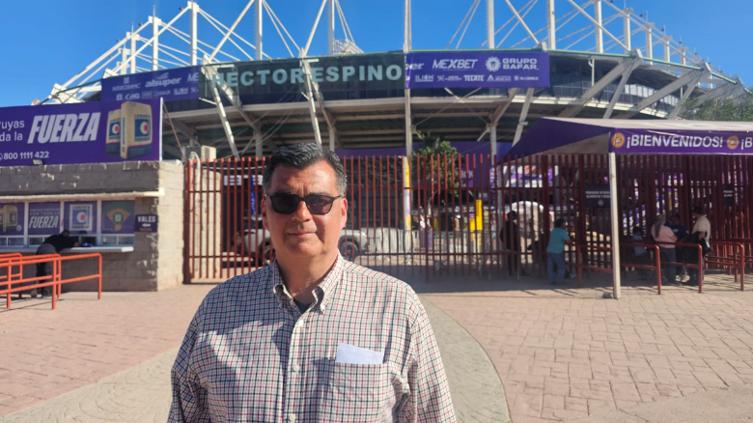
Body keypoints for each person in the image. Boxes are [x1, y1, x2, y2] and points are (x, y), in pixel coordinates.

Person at [169, 144, 455, 422]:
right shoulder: (218, 308)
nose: (302, 215)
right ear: (266, 212)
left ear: (342, 212)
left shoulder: (396, 306)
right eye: (285, 201)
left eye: (318, 202)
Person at [33, 229, 77, 298]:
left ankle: (35, 289)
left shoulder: (54, 237)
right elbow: (75, 244)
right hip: (47, 253)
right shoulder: (66, 240)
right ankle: (44, 292)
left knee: (40, 271)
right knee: (46, 272)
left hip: (39, 251)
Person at [650, 215, 677, 285]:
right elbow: (675, 239)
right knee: (671, 264)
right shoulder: (666, 229)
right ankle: (671, 279)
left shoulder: (653, 228)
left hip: (660, 247)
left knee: (662, 264)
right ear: (664, 221)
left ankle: (662, 279)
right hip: (670, 247)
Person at [688, 206, 712, 284]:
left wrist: (693, 241)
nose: (693, 214)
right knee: (699, 261)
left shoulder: (702, 220)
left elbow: (702, 233)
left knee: (697, 262)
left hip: (699, 244)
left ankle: (697, 280)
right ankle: (698, 279)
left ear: (696, 213)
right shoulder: (703, 220)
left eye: (694, 213)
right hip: (701, 244)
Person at [546, 218, 570, 285]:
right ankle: (559, 281)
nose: (565, 225)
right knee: (561, 267)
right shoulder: (562, 231)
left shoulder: (553, 231)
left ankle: (552, 280)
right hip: (557, 251)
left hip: (549, 250)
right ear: (562, 224)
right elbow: (568, 241)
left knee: (551, 267)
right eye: (564, 223)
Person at [666, 212, 689, 282]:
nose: (674, 221)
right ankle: (673, 274)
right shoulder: (669, 227)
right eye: (672, 219)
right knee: (672, 260)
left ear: (678, 219)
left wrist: (680, 242)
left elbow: (686, 236)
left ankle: (682, 274)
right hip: (671, 246)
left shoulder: (683, 227)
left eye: (675, 219)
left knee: (681, 259)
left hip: (680, 247)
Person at [501, 210, 520, 276]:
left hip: (510, 244)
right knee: (514, 258)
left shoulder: (506, 224)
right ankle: (514, 271)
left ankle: (512, 271)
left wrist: (505, 242)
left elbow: (501, 235)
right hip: (513, 244)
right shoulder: (511, 225)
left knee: (511, 258)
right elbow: (515, 234)